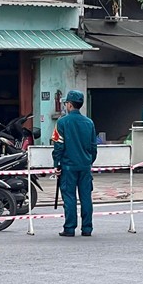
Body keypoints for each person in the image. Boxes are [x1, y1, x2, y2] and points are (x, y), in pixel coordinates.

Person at [52, 90, 97, 237]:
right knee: (86, 197)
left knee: (69, 197)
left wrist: (56, 164)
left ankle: (70, 228)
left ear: (70, 105)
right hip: (85, 166)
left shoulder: (62, 122)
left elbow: (58, 145)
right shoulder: (89, 123)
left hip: (68, 167)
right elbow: (93, 147)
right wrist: (89, 161)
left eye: (66, 103)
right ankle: (87, 228)